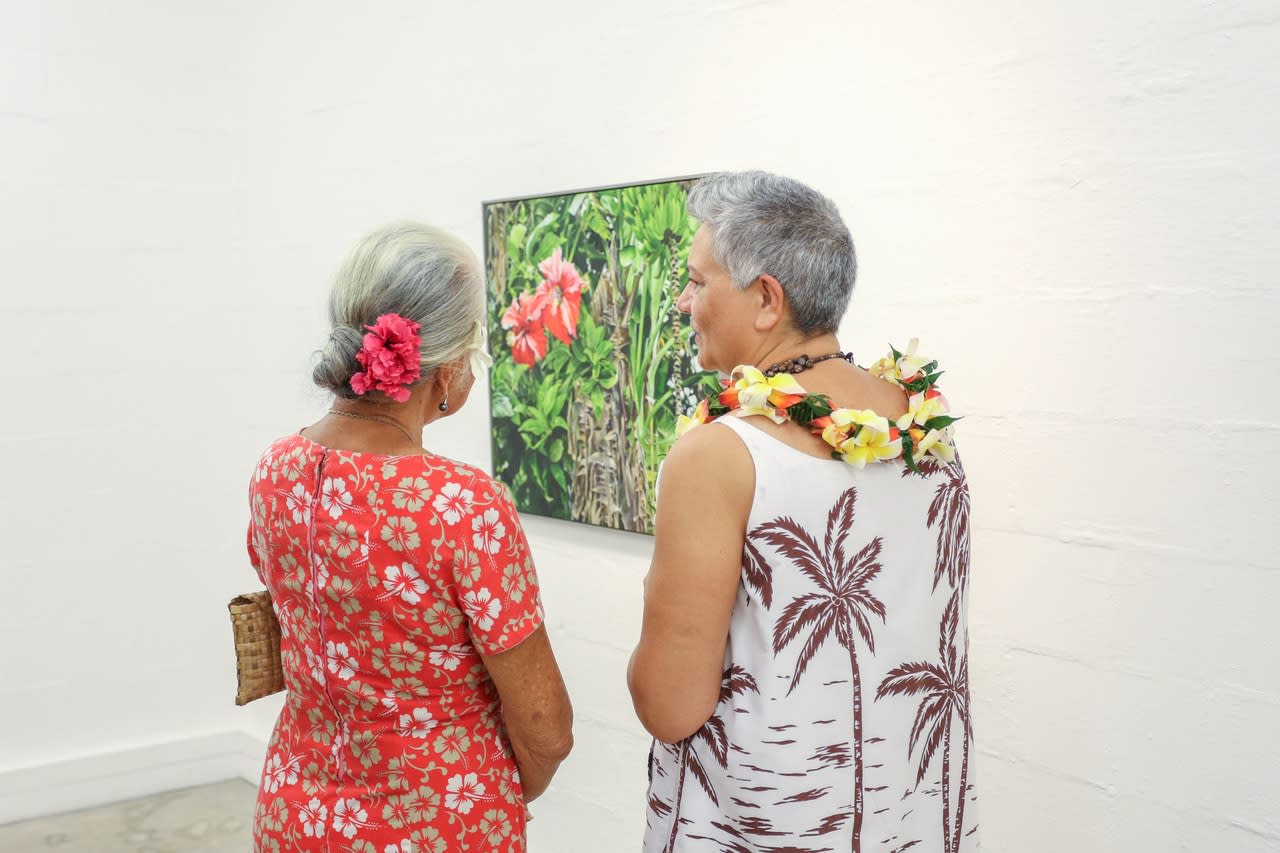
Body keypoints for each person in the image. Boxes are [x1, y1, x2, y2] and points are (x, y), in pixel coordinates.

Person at [628, 172, 979, 852]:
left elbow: (668, 707)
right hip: (906, 821)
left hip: (765, 828)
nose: (683, 301)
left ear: (766, 299)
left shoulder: (719, 454)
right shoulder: (926, 431)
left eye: (697, 282)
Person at [246, 222, 572, 852]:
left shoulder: (276, 470)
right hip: (437, 825)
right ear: (447, 368)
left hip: (296, 816)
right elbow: (546, 728)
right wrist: (496, 790)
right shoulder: (463, 505)